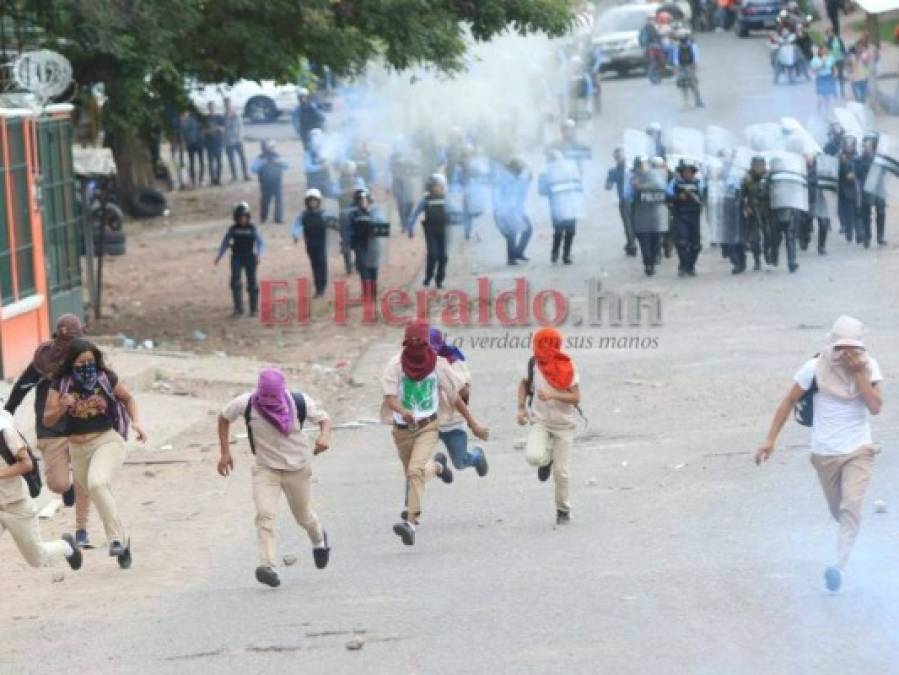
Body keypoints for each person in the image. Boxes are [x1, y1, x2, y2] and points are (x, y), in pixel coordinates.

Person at [756, 316, 883, 592]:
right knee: (840, 513)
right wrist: (770, 439)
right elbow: (789, 400)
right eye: (842, 348)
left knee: (851, 507)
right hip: (824, 453)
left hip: (858, 450)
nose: (847, 355)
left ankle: (839, 566)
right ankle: (852, 534)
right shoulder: (814, 368)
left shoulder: (869, 367)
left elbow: (875, 406)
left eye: (854, 348)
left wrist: (860, 374)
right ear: (832, 345)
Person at [217, 368, 332, 588]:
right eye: (265, 395)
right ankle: (267, 566)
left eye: (273, 395)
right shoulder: (246, 403)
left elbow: (324, 419)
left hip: (297, 468)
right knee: (264, 515)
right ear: (258, 390)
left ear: (282, 391)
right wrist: (224, 452)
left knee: (304, 517)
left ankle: (319, 540)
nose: (269, 400)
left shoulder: (299, 401)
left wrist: (324, 436)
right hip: (266, 469)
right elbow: (223, 418)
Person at [43, 339, 148, 569]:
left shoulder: (105, 377)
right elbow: (48, 419)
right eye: (81, 363)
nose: (87, 367)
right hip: (77, 447)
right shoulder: (61, 383)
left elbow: (128, 398)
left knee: (98, 483)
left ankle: (116, 540)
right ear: (72, 363)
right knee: (97, 491)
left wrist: (137, 423)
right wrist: (62, 405)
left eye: (91, 361)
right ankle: (123, 541)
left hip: (107, 440)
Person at [381, 321, 486, 546]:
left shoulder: (444, 364)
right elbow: (389, 396)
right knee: (413, 472)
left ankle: (410, 522)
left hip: (435, 425)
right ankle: (437, 467)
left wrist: (473, 424)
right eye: (413, 341)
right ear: (406, 342)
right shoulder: (396, 364)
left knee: (432, 467)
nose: (417, 346)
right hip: (402, 429)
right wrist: (402, 411)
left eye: (423, 342)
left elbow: (458, 395)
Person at [3, 314, 93, 548]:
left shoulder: (87, 357)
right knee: (57, 484)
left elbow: (104, 386)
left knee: (86, 474)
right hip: (50, 427)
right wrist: (8, 411)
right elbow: (23, 385)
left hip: (80, 424)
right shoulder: (44, 359)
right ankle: (67, 486)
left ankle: (82, 529)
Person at [0, 409, 83, 571]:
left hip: (16, 504)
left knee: (37, 557)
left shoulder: (5, 432)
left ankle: (66, 546)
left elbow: (26, 464)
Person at [516, 327, 581, 525]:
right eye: (538, 343)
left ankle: (563, 510)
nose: (539, 349)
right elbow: (524, 385)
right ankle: (546, 461)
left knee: (561, 472)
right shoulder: (532, 364)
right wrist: (521, 409)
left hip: (564, 425)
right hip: (541, 421)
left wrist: (554, 395)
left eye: (544, 344)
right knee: (533, 456)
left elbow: (576, 397)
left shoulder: (567, 366)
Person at [428, 328, 490, 478]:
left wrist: (473, 424)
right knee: (417, 457)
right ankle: (439, 467)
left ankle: (477, 456)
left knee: (460, 463)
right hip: (428, 422)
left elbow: (462, 392)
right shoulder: (412, 365)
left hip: (452, 422)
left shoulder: (453, 362)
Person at [215, 202, 264, 318]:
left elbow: (260, 243)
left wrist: (259, 254)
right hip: (236, 257)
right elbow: (225, 242)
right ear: (236, 217)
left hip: (250, 258)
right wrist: (219, 255)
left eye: (245, 217)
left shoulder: (252, 228)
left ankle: (254, 309)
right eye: (240, 217)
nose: (243, 220)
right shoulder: (233, 229)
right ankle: (238, 308)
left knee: (252, 283)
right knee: (235, 282)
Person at [625, 156, 668, 276]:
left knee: (656, 241)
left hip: (657, 215)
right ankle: (648, 264)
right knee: (644, 241)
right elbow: (627, 195)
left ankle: (653, 261)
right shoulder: (632, 178)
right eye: (640, 165)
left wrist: (643, 187)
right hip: (640, 214)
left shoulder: (657, 176)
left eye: (644, 164)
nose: (642, 167)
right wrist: (634, 188)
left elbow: (665, 190)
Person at [539, 149, 582, 265]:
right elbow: (542, 191)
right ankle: (557, 253)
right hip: (557, 206)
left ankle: (565, 254)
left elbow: (578, 186)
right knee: (559, 230)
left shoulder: (570, 171)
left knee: (570, 231)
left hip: (569, 204)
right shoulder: (545, 174)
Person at [407, 174, 450, 288]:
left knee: (443, 256)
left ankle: (439, 280)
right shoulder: (426, 200)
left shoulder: (446, 198)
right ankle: (428, 276)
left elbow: (453, 212)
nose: (437, 188)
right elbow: (415, 213)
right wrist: (410, 228)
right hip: (431, 231)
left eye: (439, 186)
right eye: (435, 186)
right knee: (433, 254)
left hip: (443, 231)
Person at [493, 157, 534, 266]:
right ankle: (511, 258)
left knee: (528, 229)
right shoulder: (503, 178)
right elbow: (496, 195)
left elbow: (527, 180)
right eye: (519, 167)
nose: (521, 169)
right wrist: (500, 209)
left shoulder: (518, 177)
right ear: (513, 168)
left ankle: (518, 252)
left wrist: (529, 171)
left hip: (518, 210)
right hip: (505, 211)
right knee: (511, 233)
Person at [668, 159, 704, 277]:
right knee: (682, 242)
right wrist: (678, 197)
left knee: (696, 245)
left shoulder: (699, 183)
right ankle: (683, 265)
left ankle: (691, 266)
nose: (688, 174)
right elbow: (667, 196)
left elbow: (704, 196)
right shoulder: (675, 183)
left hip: (695, 217)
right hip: (680, 216)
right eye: (686, 172)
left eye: (690, 172)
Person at [292, 188, 329, 298]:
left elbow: (333, 226)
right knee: (315, 265)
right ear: (307, 202)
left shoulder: (324, 214)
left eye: (315, 200)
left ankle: (322, 286)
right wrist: (295, 234)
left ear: (318, 201)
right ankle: (318, 288)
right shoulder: (303, 215)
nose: (312, 203)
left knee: (322, 264)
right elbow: (296, 225)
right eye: (310, 201)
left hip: (322, 243)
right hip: (310, 244)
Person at [349, 188, 383, 301]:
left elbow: (382, 227)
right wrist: (348, 243)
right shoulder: (353, 215)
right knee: (363, 268)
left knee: (373, 270)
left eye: (365, 200)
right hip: (359, 245)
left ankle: (373, 293)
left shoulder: (376, 213)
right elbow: (349, 230)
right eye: (360, 200)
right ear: (356, 202)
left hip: (373, 245)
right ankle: (366, 292)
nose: (363, 202)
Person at [856, 136, 887, 247]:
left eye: (869, 146)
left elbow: (883, 172)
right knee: (866, 214)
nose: (867, 148)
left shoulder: (878, 159)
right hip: (865, 190)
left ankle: (880, 236)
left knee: (881, 213)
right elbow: (858, 174)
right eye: (865, 146)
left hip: (878, 189)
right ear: (862, 147)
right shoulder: (858, 160)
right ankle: (867, 237)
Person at [741, 155, 771, 271]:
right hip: (753, 212)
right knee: (755, 239)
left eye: (761, 165)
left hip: (767, 211)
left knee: (768, 236)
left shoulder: (768, 178)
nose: (759, 168)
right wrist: (746, 207)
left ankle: (768, 257)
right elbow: (742, 196)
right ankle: (757, 261)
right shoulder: (747, 179)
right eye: (756, 165)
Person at [606, 147, 637, 256]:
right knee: (630, 223)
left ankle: (631, 244)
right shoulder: (616, 171)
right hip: (628, 200)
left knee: (629, 223)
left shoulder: (633, 168)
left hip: (632, 199)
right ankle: (631, 243)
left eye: (620, 156)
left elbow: (608, 186)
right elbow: (608, 186)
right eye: (617, 157)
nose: (619, 159)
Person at [336, 160, 364, 276]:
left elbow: (364, 192)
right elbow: (334, 192)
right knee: (346, 241)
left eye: (351, 169)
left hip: (357, 214)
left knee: (358, 240)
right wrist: (345, 192)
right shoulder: (339, 182)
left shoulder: (359, 181)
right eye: (347, 169)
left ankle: (357, 264)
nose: (349, 171)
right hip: (344, 214)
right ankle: (348, 265)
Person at [251, 140, 287, 225]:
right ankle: (263, 217)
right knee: (265, 201)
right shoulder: (260, 157)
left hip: (277, 182)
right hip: (265, 183)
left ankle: (278, 218)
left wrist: (279, 162)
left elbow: (286, 165)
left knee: (279, 200)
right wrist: (262, 164)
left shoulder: (277, 156)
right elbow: (253, 168)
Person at [672, 30, 704, 108]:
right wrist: (696, 65)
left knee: (684, 85)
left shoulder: (678, 46)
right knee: (693, 84)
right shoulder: (692, 45)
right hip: (689, 67)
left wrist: (676, 67)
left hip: (683, 67)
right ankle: (697, 101)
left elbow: (675, 58)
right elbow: (696, 55)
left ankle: (687, 102)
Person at [837, 135, 860, 243]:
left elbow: (860, 170)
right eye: (847, 145)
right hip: (842, 188)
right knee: (845, 212)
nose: (849, 147)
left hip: (855, 187)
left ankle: (858, 233)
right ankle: (848, 230)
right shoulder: (839, 157)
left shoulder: (857, 156)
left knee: (856, 211)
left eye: (851, 145)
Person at [222, 97, 250, 183]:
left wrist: (240, 137)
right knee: (231, 160)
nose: (228, 105)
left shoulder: (236, 115)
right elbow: (223, 129)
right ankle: (234, 176)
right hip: (228, 141)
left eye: (229, 103)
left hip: (238, 140)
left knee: (242, 158)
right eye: (226, 104)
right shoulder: (223, 116)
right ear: (224, 105)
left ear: (231, 103)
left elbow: (240, 127)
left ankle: (245, 175)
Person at [810, 45, 838, 115]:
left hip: (828, 77)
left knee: (828, 97)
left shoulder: (830, 57)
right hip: (820, 78)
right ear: (820, 51)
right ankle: (818, 112)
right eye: (823, 50)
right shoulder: (815, 59)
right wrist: (822, 64)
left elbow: (834, 67)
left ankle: (827, 112)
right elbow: (813, 70)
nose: (825, 51)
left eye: (826, 50)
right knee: (820, 98)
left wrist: (835, 74)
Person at [203, 102, 224, 186]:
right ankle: (212, 179)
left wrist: (216, 128)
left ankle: (218, 179)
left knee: (219, 162)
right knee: (211, 163)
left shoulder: (219, 117)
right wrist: (209, 130)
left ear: (215, 107)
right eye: (210, 107)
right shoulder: (205, 118)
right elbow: (203, 131)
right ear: (208, 108)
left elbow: (223, 129)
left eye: (213, 107)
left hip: (218, 143)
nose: (211, 108)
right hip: (209, 143)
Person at [182, 110, 205, 187]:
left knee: (199, 162)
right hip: (191, 144)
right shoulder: (186, 122)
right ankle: (194, 180)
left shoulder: (197, 120)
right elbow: (184, 133)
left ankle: (200, 180)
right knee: (193, 163)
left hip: (198, 144)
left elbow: (202, 131)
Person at [824, 27, 847, 98]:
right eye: (828, 33)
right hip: (831, 61)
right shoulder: (827, 41)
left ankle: (842, 90)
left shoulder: (838, 39)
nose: (830, 34)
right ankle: (833, 91)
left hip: (840, 59)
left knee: (840, 75)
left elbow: (843, 48)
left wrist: (845, 56)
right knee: (832, 76)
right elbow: (825, 51)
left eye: (831, 32)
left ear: (833, 33)